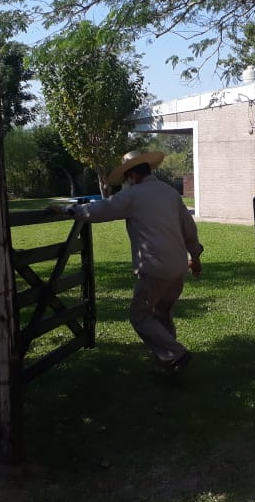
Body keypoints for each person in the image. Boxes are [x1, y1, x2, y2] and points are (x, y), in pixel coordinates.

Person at [49, 149, 203, 375]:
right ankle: (168, 363)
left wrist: (67, 210)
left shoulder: (133, 195)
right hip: (178, 266)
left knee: (139, 316)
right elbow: (189, 228)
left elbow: (100, 209)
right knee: (162, 313)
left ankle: (176, 353)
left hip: (153, 267)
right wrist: (195, 257)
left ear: (132, 176)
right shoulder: (170, 192)